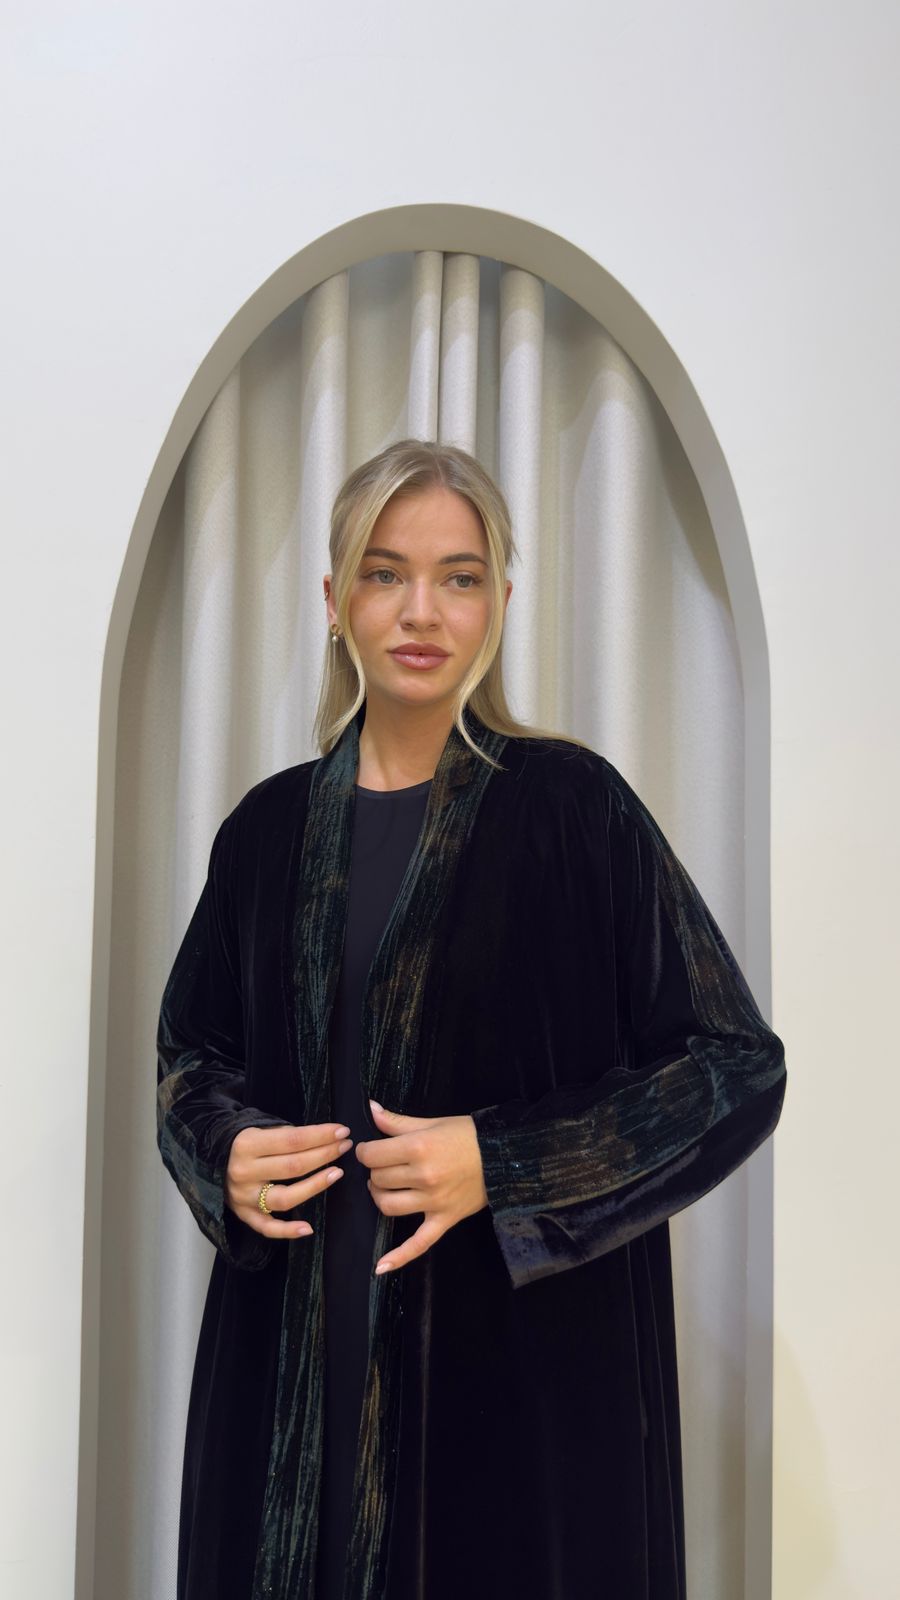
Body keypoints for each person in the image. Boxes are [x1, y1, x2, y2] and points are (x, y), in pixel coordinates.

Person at [157, 438, 787, 1600]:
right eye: (385, 572)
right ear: (335, 598)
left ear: (499, 597)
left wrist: (504, 1162)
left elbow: (733, 1065)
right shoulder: (266, 832)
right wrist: (224, 1151)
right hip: (291, 1361)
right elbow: (192, 1056)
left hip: (517, 1386)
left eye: (459, 576)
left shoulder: (573, 810)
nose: (421, 611)